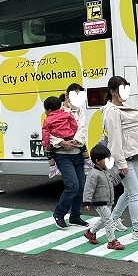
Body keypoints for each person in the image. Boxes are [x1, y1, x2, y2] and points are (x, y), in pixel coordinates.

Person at [103, 75, 138, 242]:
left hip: (134, 156)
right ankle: (137, 229)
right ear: (112, 91)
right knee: (134, 194)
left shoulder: (123, 106)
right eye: (121, 89)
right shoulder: (111, 111)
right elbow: (115, 140)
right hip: (124, 158)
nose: (124, 92)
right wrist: (121, 163)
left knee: (129, 192)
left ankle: (112, 220)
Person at [45, 87, 89, 229]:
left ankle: (75, 216)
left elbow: (81, 128)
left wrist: (74, 142)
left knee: (81, 186)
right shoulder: (56, 110)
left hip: (77, 153)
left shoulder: (80, 111)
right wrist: (62, 143)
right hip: (62, 155)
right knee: (73, 185)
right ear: (66, 96)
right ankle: (59, 213)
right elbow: (48, 133)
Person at [82, 143, 124, 250]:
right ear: (97, 161)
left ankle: (90, 233)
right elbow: (88, 189)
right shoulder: (93, 174)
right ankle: (112, 241)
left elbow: (113, 182)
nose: (109, 160)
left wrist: (121, 175)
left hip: (108, 201)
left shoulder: (107, 171)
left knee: (104, 219)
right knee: (109, 220)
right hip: (99, 202)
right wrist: (86, 201)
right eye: (106, 159)